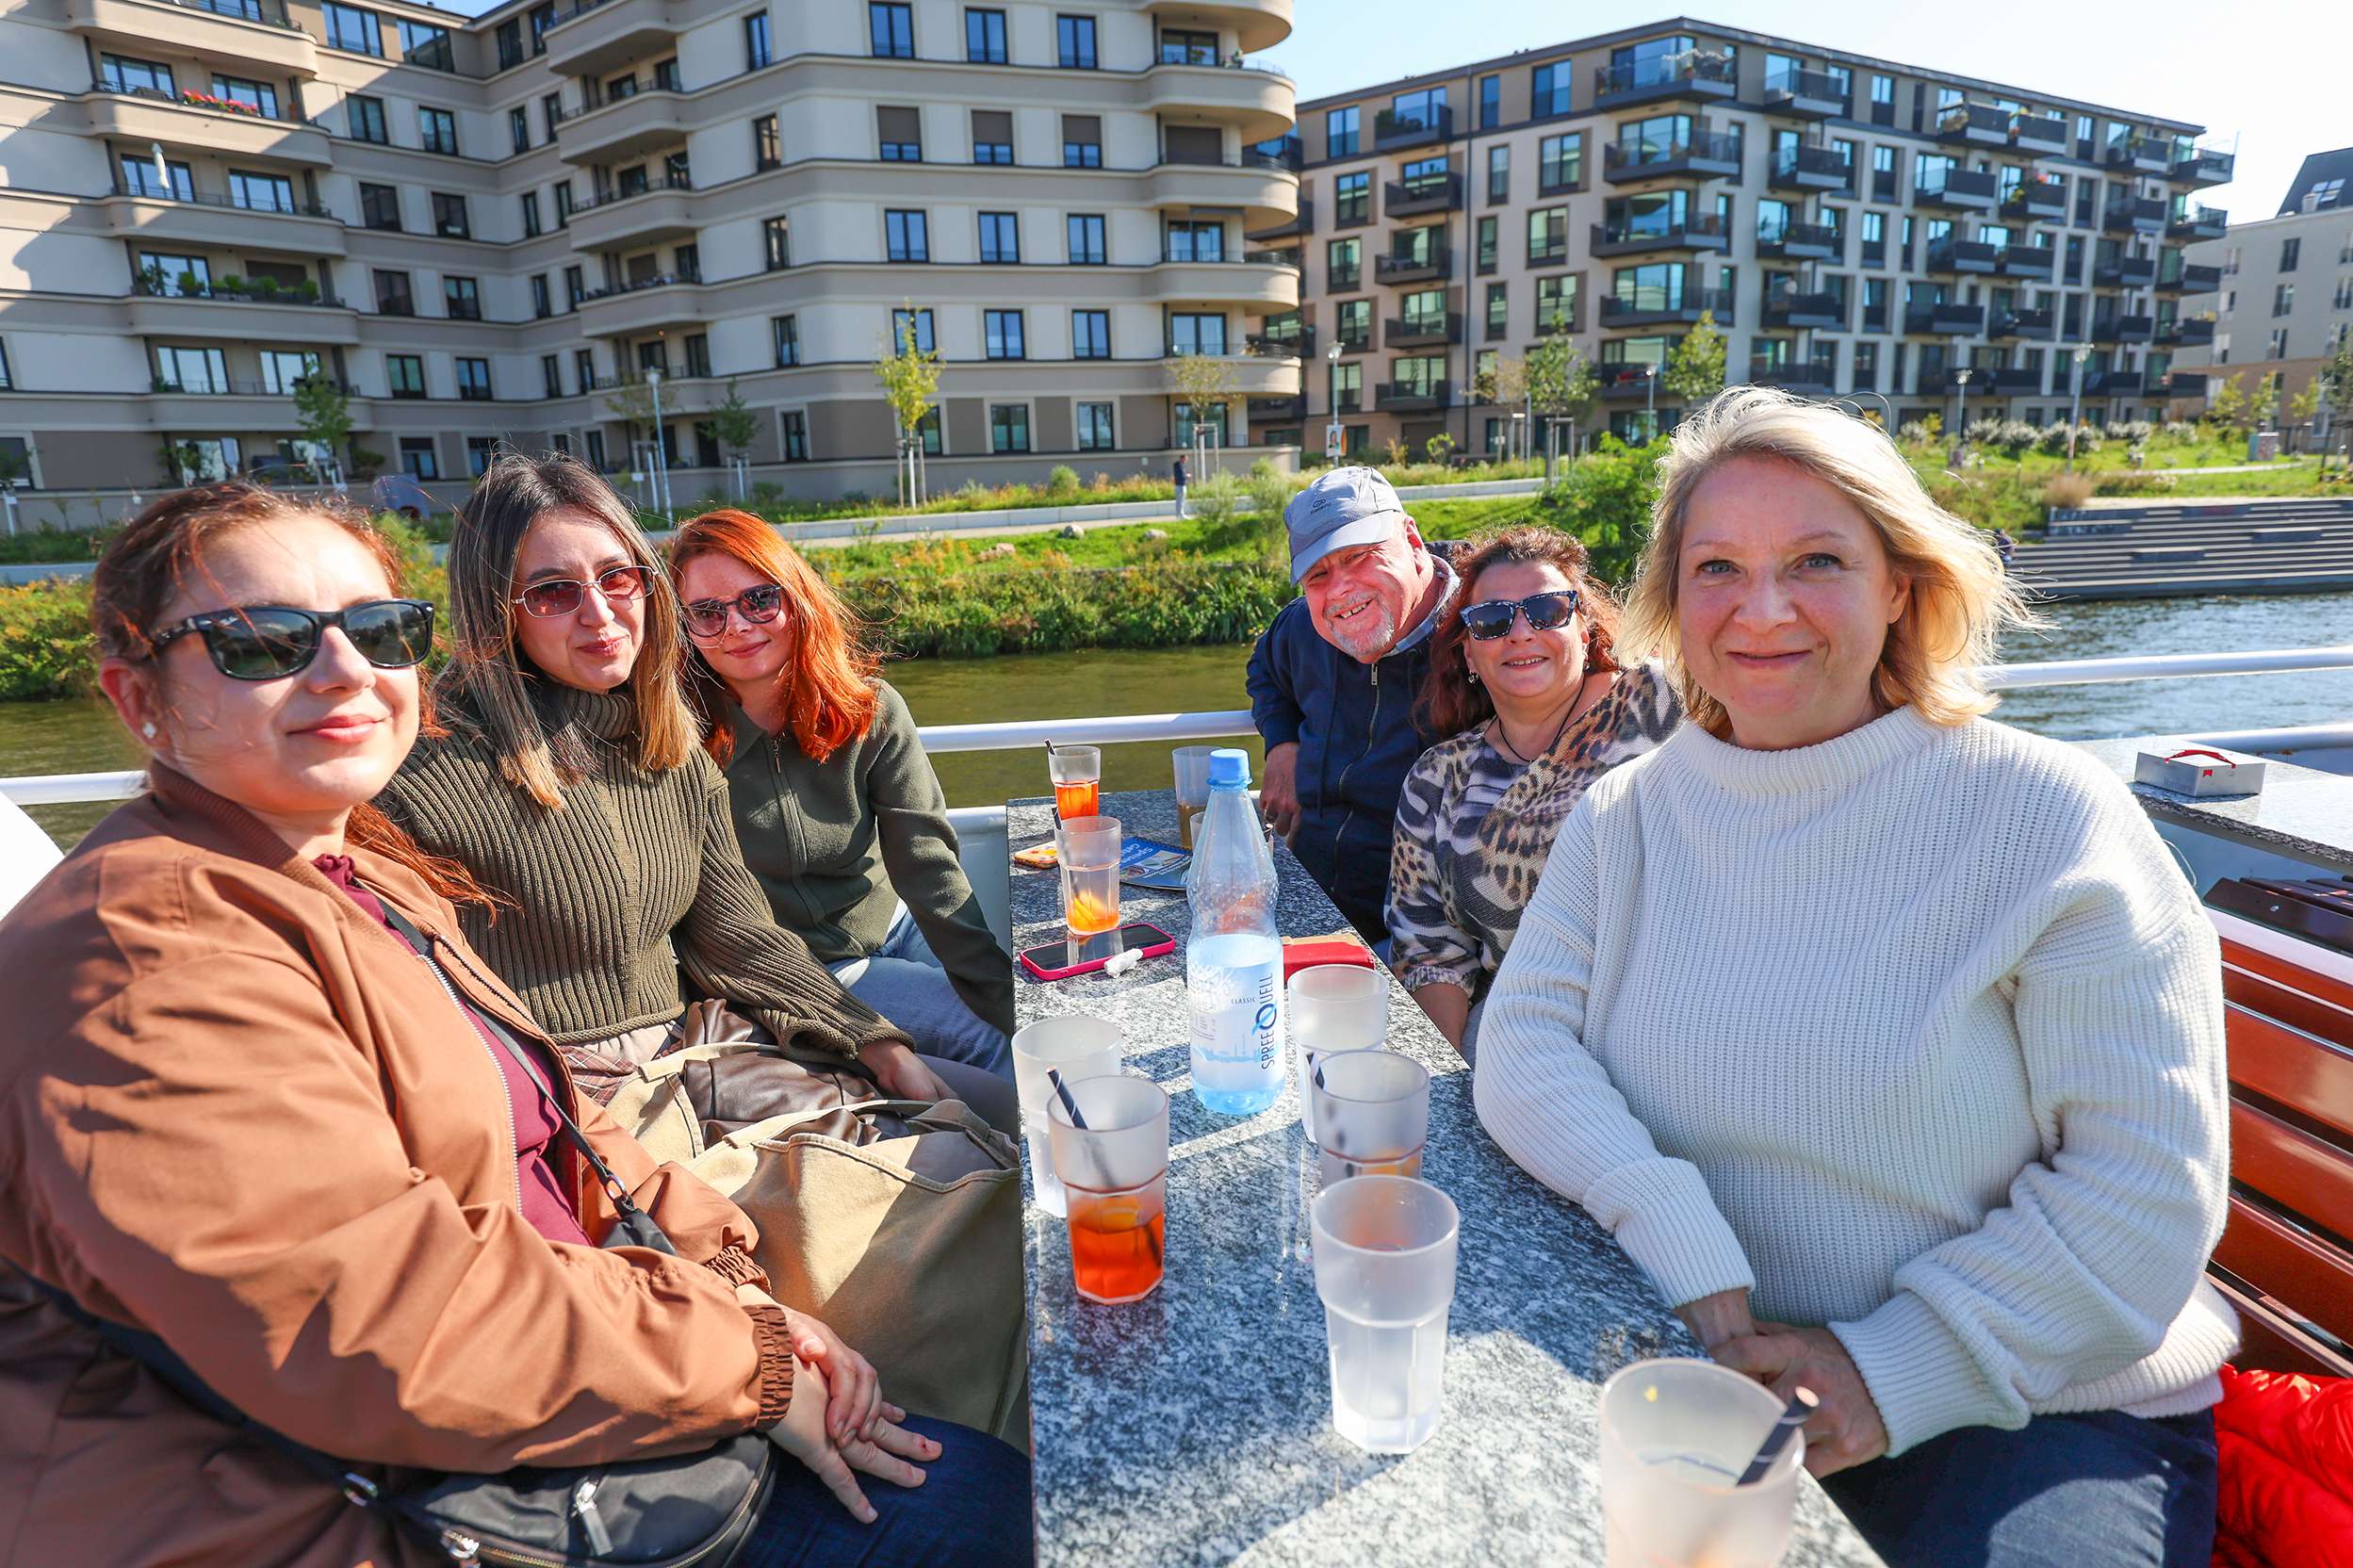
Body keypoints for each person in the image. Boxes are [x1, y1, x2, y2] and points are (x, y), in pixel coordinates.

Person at [0, 483, 1031, 1567]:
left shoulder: (360, 876)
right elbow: (384, 1324)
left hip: (542, 1368)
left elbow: (562, 1124)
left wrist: (734, 1290)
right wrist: (750, 1359)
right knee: (984, 1511)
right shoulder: (148, 956)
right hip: (373, 1505)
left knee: (983, 1213)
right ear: (140, 697)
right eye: (260, 642)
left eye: (379, 630)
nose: (344, 670)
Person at [1474, 387, 2237, 1568]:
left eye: (1817, 560)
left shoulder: (2047, 817)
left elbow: (2143, 1196)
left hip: (2034, 1405)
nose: (1761, 608)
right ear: (1673, 598)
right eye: (1717, 567)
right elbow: (1523, 1042)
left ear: (1900, 585)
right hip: (1704, 1365)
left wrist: (1882, 1369)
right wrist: (1681, 1238)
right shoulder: (1625, 815)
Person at [376, 453, 1014, 1126]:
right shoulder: (424, 771)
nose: (599, 613)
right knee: (965, 1109)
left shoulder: (667, 747)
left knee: (988, 1103)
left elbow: (746, 929)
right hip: (573, 1094)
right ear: (495, 611)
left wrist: (882, 1041)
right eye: (553, 592)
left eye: (616, 577)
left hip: (713, 1038)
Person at [669, 509, 1013, 1076]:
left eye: (759, 600)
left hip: (894, 924)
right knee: (988, 1041)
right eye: (708, 612)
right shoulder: (677, 743)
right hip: (808, 967)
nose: (737, 626)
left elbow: (927, 864)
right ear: (683, 627)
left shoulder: (870, 711)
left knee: (1016, 1017)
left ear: (797, 597)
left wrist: (1004, 994)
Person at [1387, 528, 1679, 1061]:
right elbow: (1430, 953)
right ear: (1469, 654)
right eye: (1492, 620)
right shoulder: (1438, 779)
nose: (1521, 632)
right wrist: (1451, 1082)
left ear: (1585, 631)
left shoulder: (1665, 705)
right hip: (1521, 1033)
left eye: (1547, 610)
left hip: (1673, 1018)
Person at [1246, 465, 1461, 943]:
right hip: (1308, 902)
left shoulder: (1486, 630)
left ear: (1412, 540)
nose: (1340, 588)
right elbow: (1264, 671)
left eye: (1358, 556)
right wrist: (1282, 744)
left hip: (1428, 939)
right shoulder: (1304, 628)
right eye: (1318, 574)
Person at [1171, 452, 1188, 519]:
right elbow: (1181, 475)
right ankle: (1180, 515)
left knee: (1181, 501)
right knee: (1180, 501)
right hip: (1180, 485)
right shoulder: (1178, 465)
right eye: (1185, 459)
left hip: (1181, 485)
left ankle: (1179, 515)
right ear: (1182, 458)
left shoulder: (1181, 465)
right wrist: (1187, 476)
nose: (1186, 461)